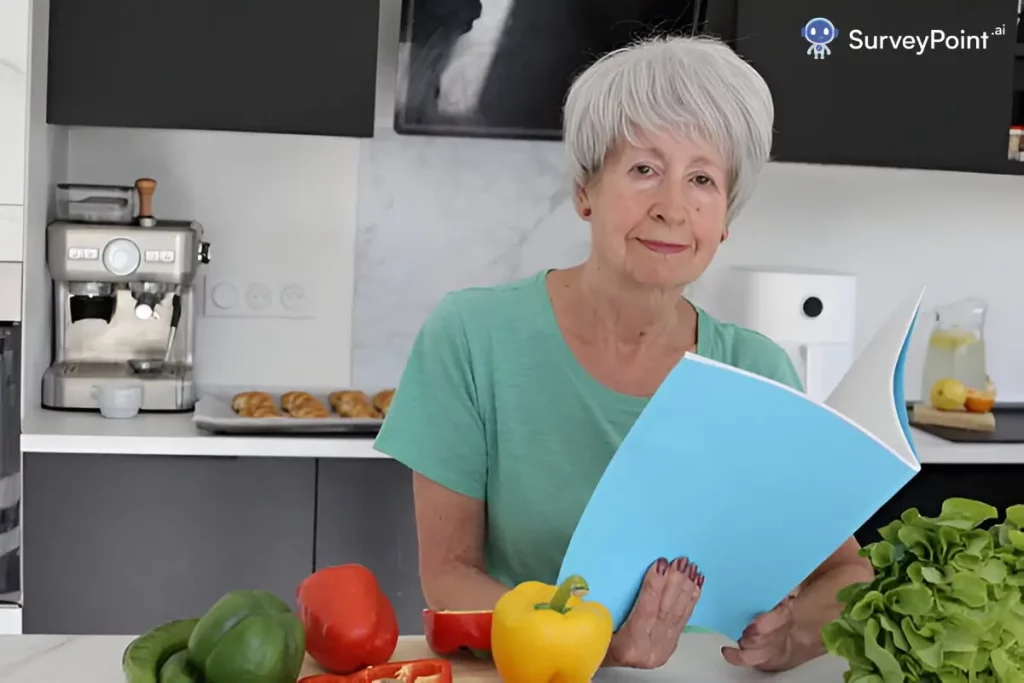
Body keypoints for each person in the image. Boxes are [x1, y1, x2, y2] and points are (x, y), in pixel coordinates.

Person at [373, 34, 873, 672]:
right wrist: (598, 646)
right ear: (585, 192)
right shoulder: (472, 336)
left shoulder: (756, 371)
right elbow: (450, 577)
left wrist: (794, 635)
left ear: (724, 219)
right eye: (643, 170)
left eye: (701, 179)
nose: (671, 208)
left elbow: (844, 572)